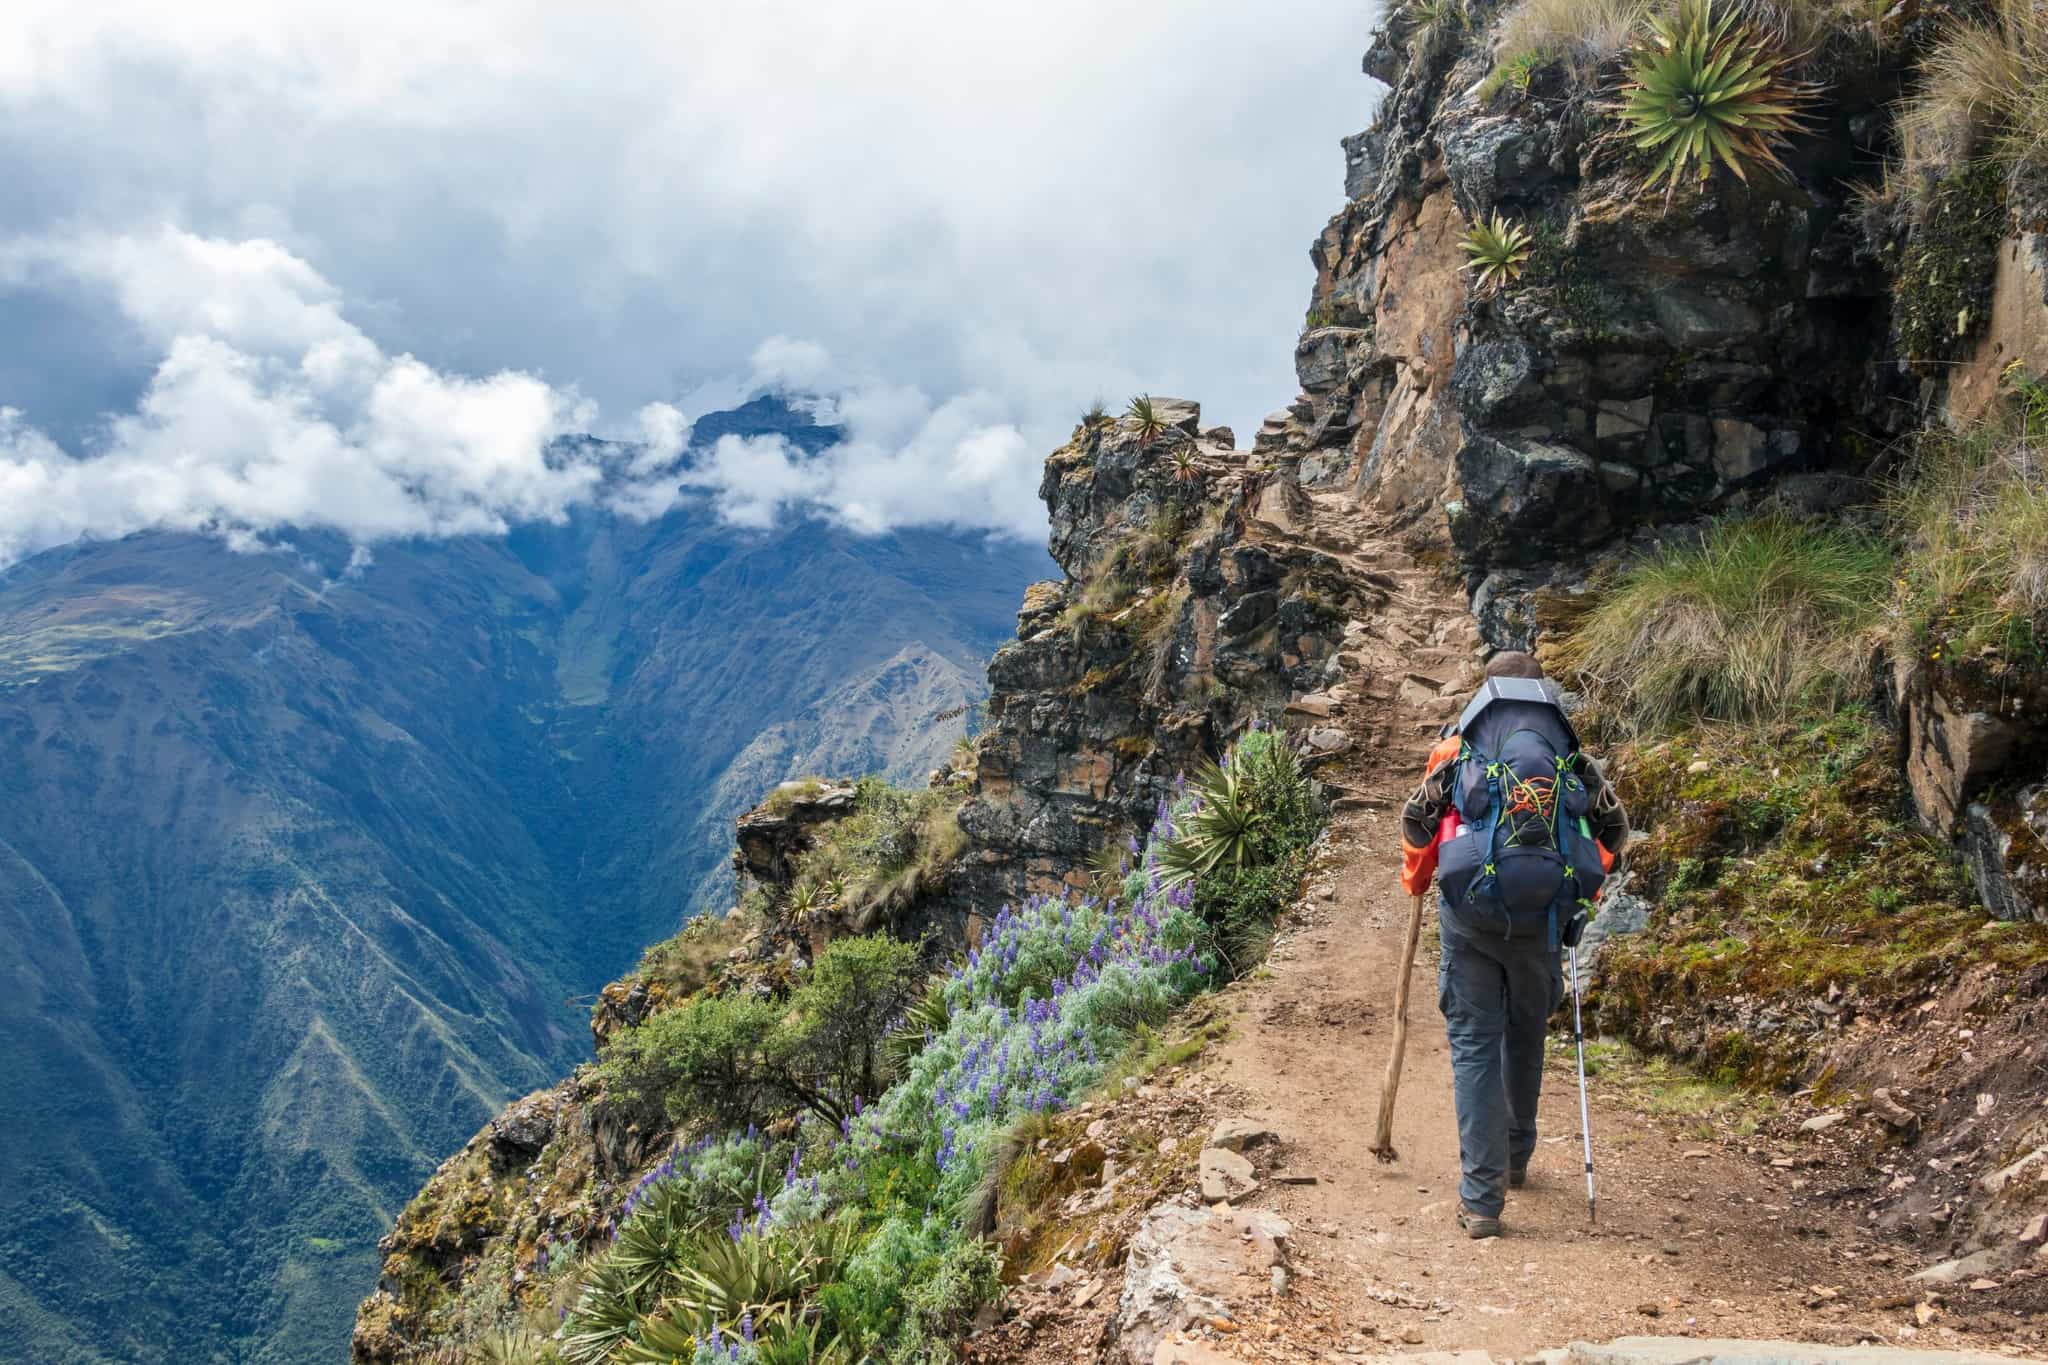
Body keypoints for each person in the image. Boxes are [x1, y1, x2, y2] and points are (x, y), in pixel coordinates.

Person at [1398, 650, 1628, 1239]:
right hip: (1544, 921)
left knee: (1475, 1044)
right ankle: (1518, 1155)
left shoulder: (1458, 748)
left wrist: (1418, 881)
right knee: (1526, 1031)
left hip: (1470, 917)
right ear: (1543, 693)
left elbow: (1418, 822)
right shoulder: (1570, 756)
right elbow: (1614, 834)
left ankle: (1481, 1201)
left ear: (1487, 690)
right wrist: (1576, 895)